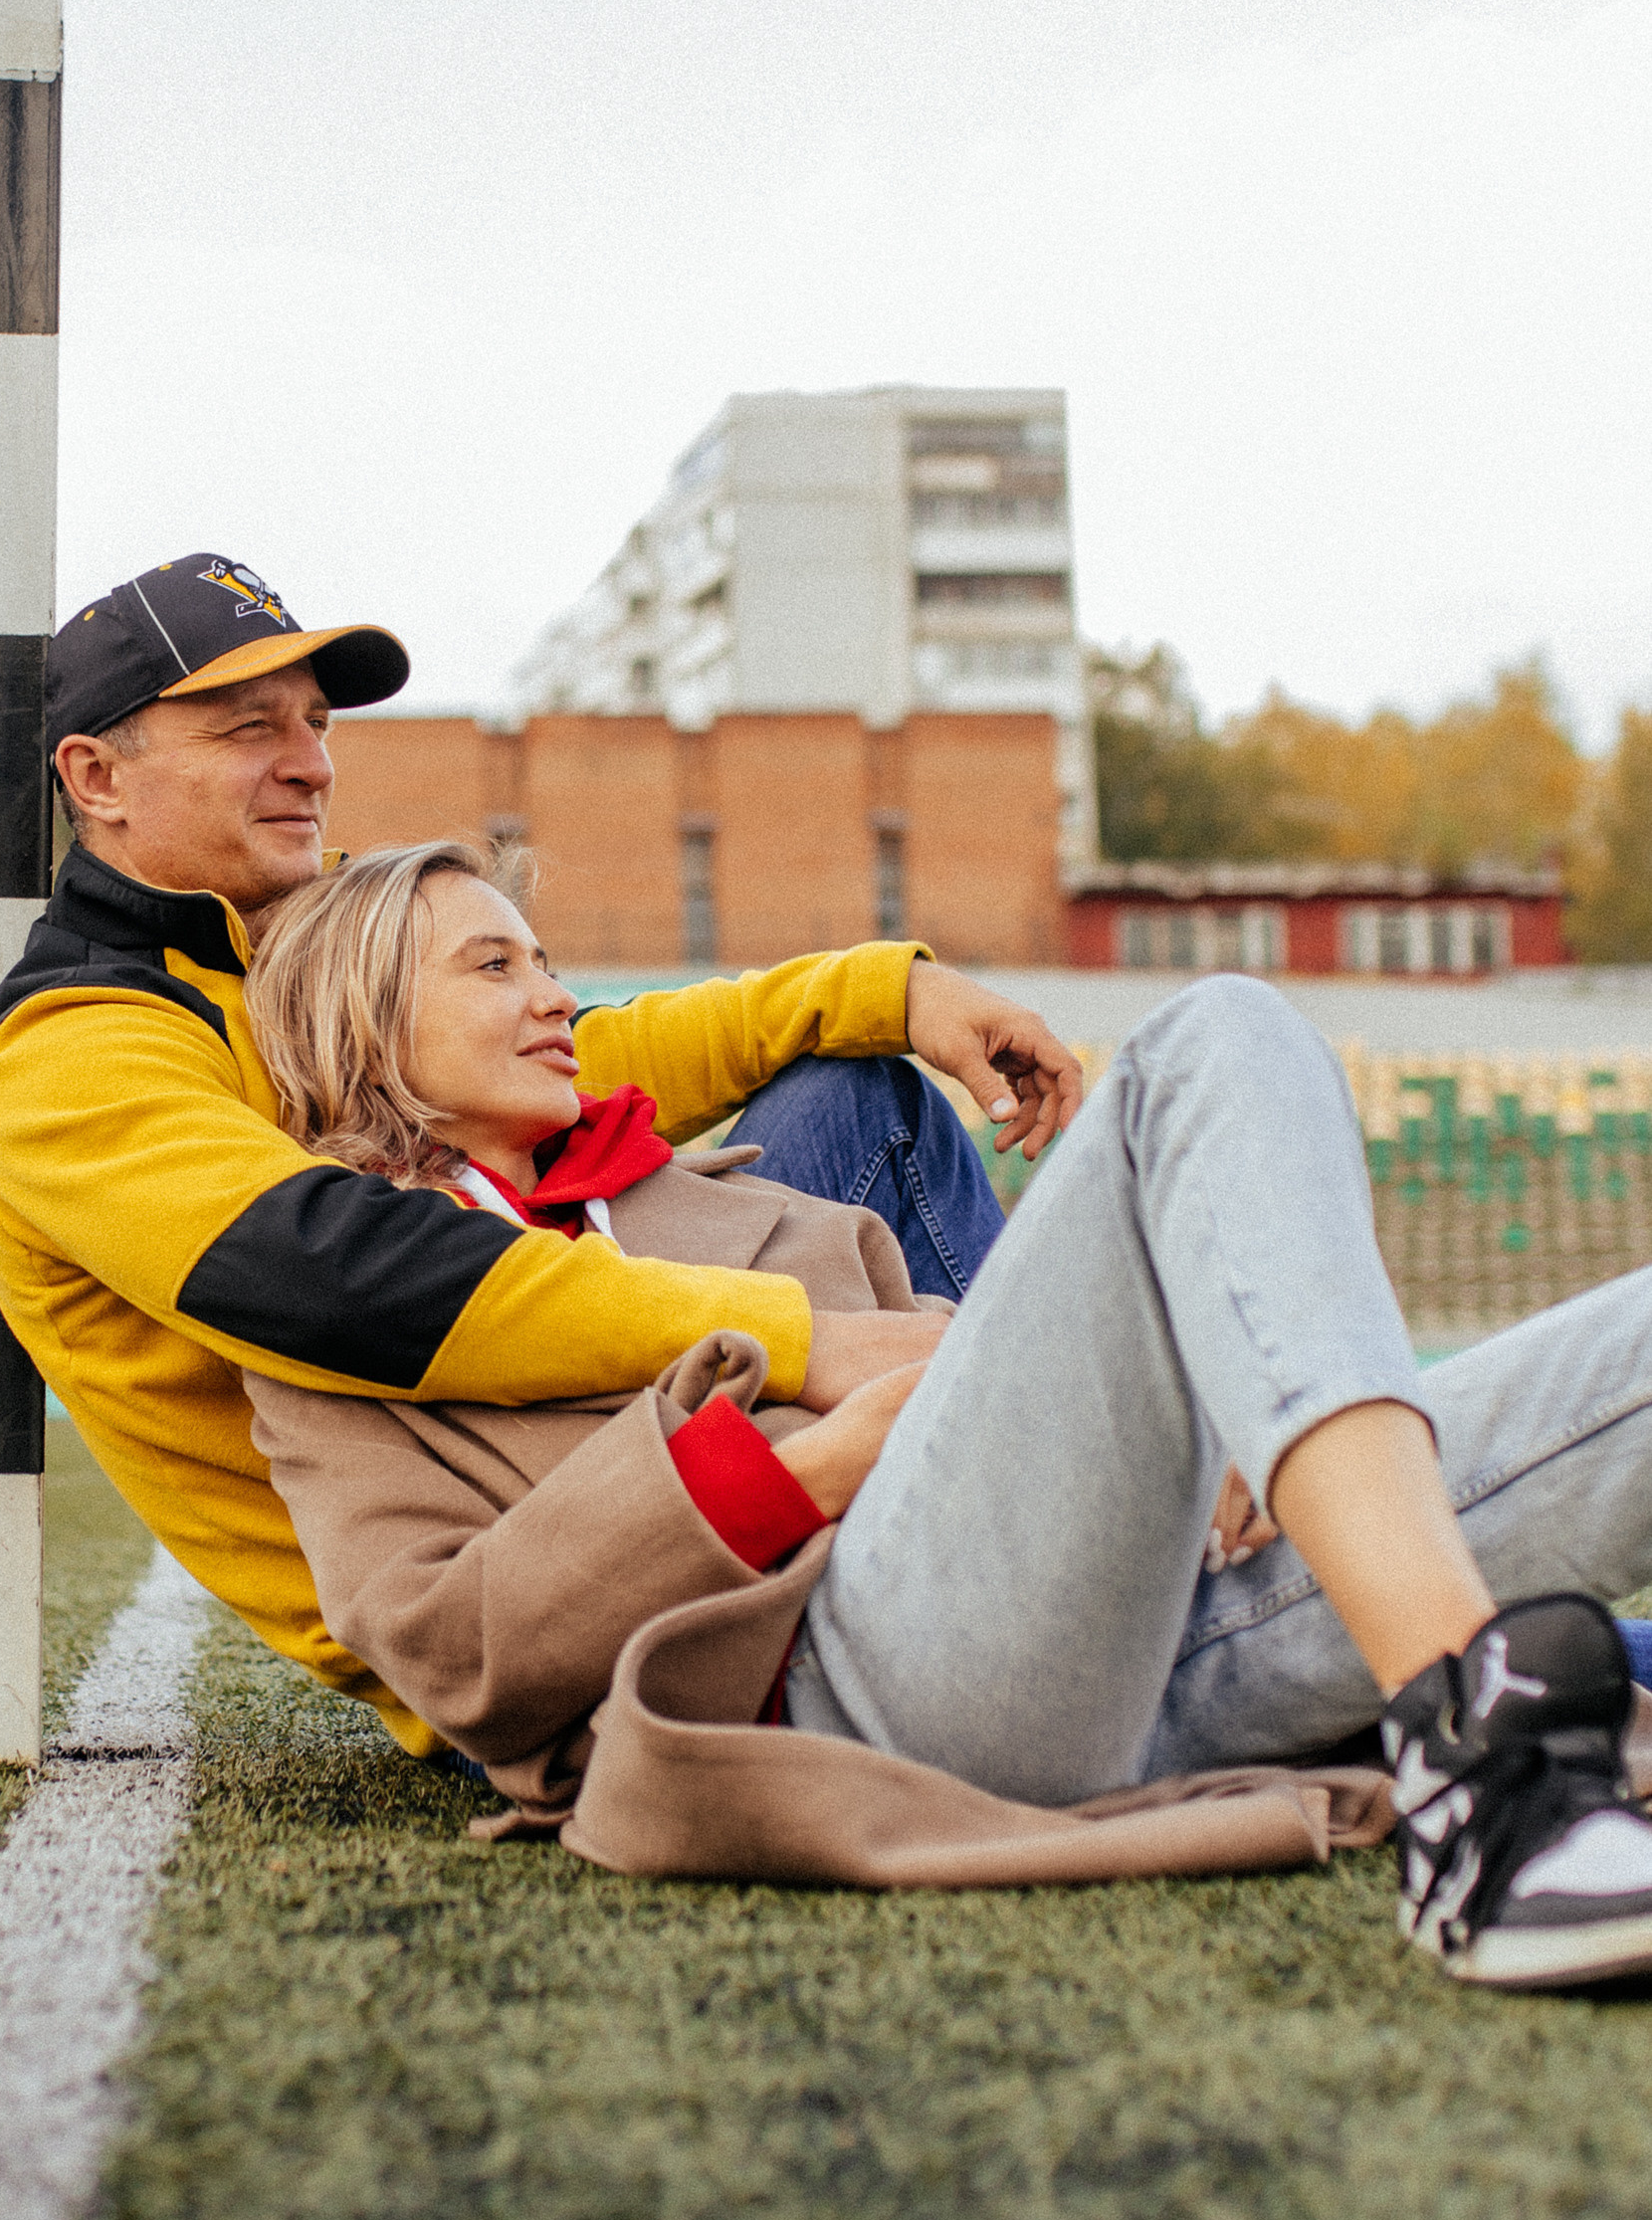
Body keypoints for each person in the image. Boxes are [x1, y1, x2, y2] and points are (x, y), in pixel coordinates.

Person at [239, 838, 1652, 1993]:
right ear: (360, 1021)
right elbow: (453, 1654)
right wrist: (816, 1459)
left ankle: (1452, 1697)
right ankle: (1488, 1770)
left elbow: (966, 1385)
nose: (553, 996)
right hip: (849, 1698)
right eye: (493, 966)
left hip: (1132, 1652)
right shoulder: (335, 1314)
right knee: (1214, 1035)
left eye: (546, 961)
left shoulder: (728, 1201)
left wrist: (1218, 1429)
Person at [0, 549, 1082, 1749]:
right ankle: (1062, 1494)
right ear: (96, 776)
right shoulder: (70, 1048)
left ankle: (1057, 1478)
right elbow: (345, 1273)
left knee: (855, 1093)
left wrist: (880, 991)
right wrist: (812, 1340)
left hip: (566, 1421)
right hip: (505, 1562)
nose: (311, 763)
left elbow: (557, 1059)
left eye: (315, 723)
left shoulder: (285, 937)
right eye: (249, 729)